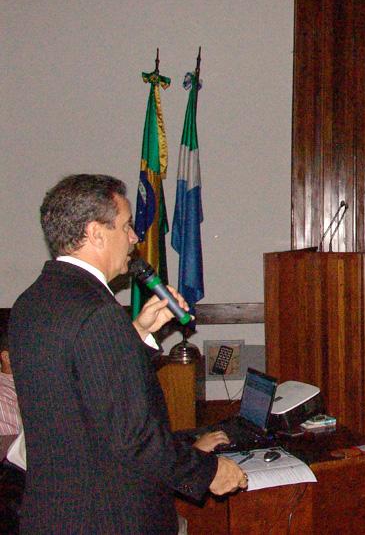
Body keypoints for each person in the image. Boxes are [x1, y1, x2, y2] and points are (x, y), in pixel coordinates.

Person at [9, 174, 246, 534]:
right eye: (126, 226)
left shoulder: (32, 302)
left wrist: (139, 332)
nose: (135, 237)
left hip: (53, 513)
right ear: (95, 233)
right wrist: (208, 471)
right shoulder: (98, 313)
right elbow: (133, 436)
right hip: (108, 517)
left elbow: (79, 387)